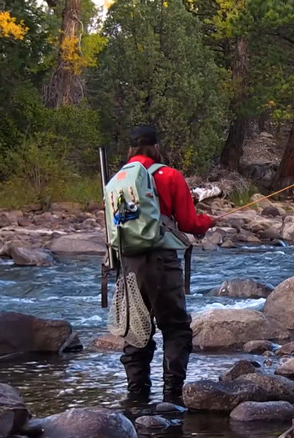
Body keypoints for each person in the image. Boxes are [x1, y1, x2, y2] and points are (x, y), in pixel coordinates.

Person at [119, 125, 215, 405]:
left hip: (127, 262)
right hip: (161, 261)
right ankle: (172, 395)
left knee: (136, 328)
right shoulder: (169, 175)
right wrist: (208, 222)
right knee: (175, 327)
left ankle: (136, 395)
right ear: (155, 146)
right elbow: (188, 223)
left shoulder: (119, 178)